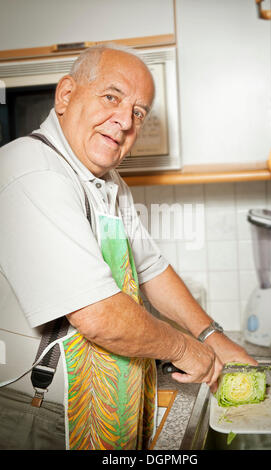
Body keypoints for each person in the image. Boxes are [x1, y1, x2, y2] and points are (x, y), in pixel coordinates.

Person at [0, 44, 256, 450]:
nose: (123, 121)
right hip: (35, 412)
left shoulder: (108, 183)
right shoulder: (32, 170)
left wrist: (212, 337)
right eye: (111, 97)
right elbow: (98, 314)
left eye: (138, 112)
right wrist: (185, 348)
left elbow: (151, 268)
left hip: (95, 411)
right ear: (66, 95)